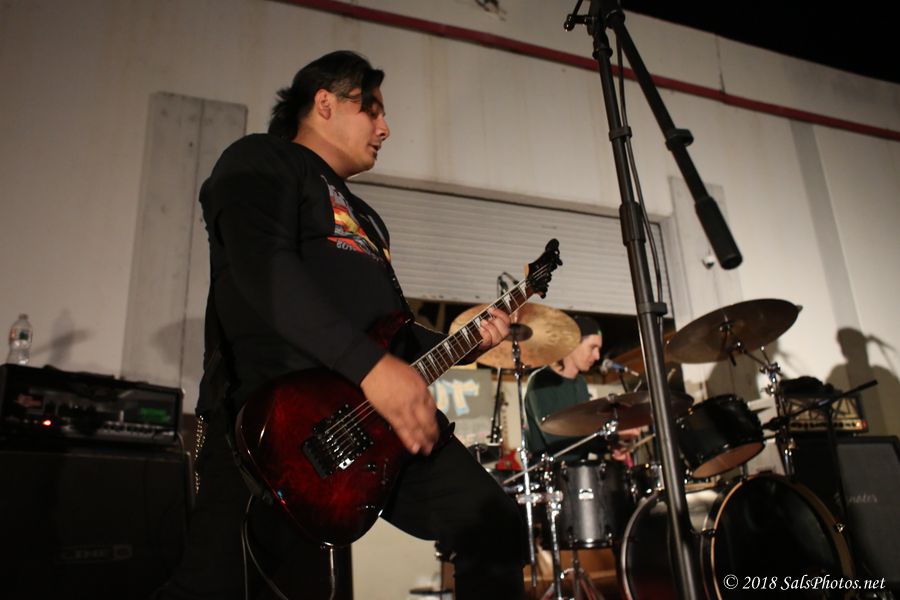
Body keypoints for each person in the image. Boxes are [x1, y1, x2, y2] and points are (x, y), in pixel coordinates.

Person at [155, 51, 526, 600]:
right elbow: (264, 269)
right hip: (274, 424)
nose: (385, 127)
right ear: (324, 102)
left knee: (492, 524)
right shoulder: (261, 159)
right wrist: (371, 368)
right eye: (371, 108)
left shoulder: (368, 219)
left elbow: (393, 333)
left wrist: (465, 343)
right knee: (219, 586)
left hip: (377, 426)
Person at [524, 315, 607, 463]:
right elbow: (557, 439)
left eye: (599, 349)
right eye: (592, 347)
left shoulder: (580, 382)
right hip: (550, 472)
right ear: (572, 344)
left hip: (580, 471)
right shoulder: (541, 381)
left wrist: (614, 444)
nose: (597, 356)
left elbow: (583, 432)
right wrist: (610, 437)